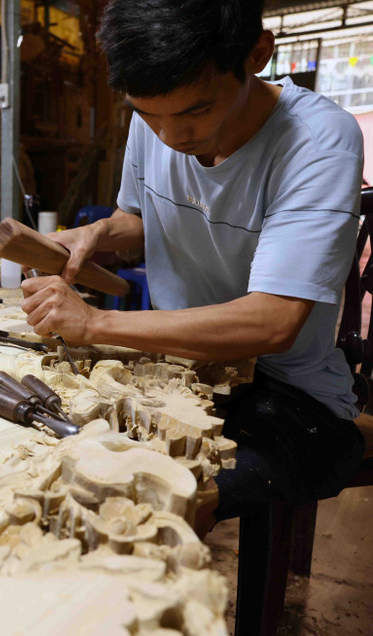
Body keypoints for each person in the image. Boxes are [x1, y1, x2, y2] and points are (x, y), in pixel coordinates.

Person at [22, 0, 365, 524]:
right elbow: (143, 217)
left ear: (258, 54)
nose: (171, 137)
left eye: (195, 112)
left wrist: (95, 323)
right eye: (146, 114)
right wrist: (98, 233)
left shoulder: (317, 141)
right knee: (42, 452)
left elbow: (274, 321)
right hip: (177, 367)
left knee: (139, 509)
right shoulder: (160, 113)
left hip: (284, 394)